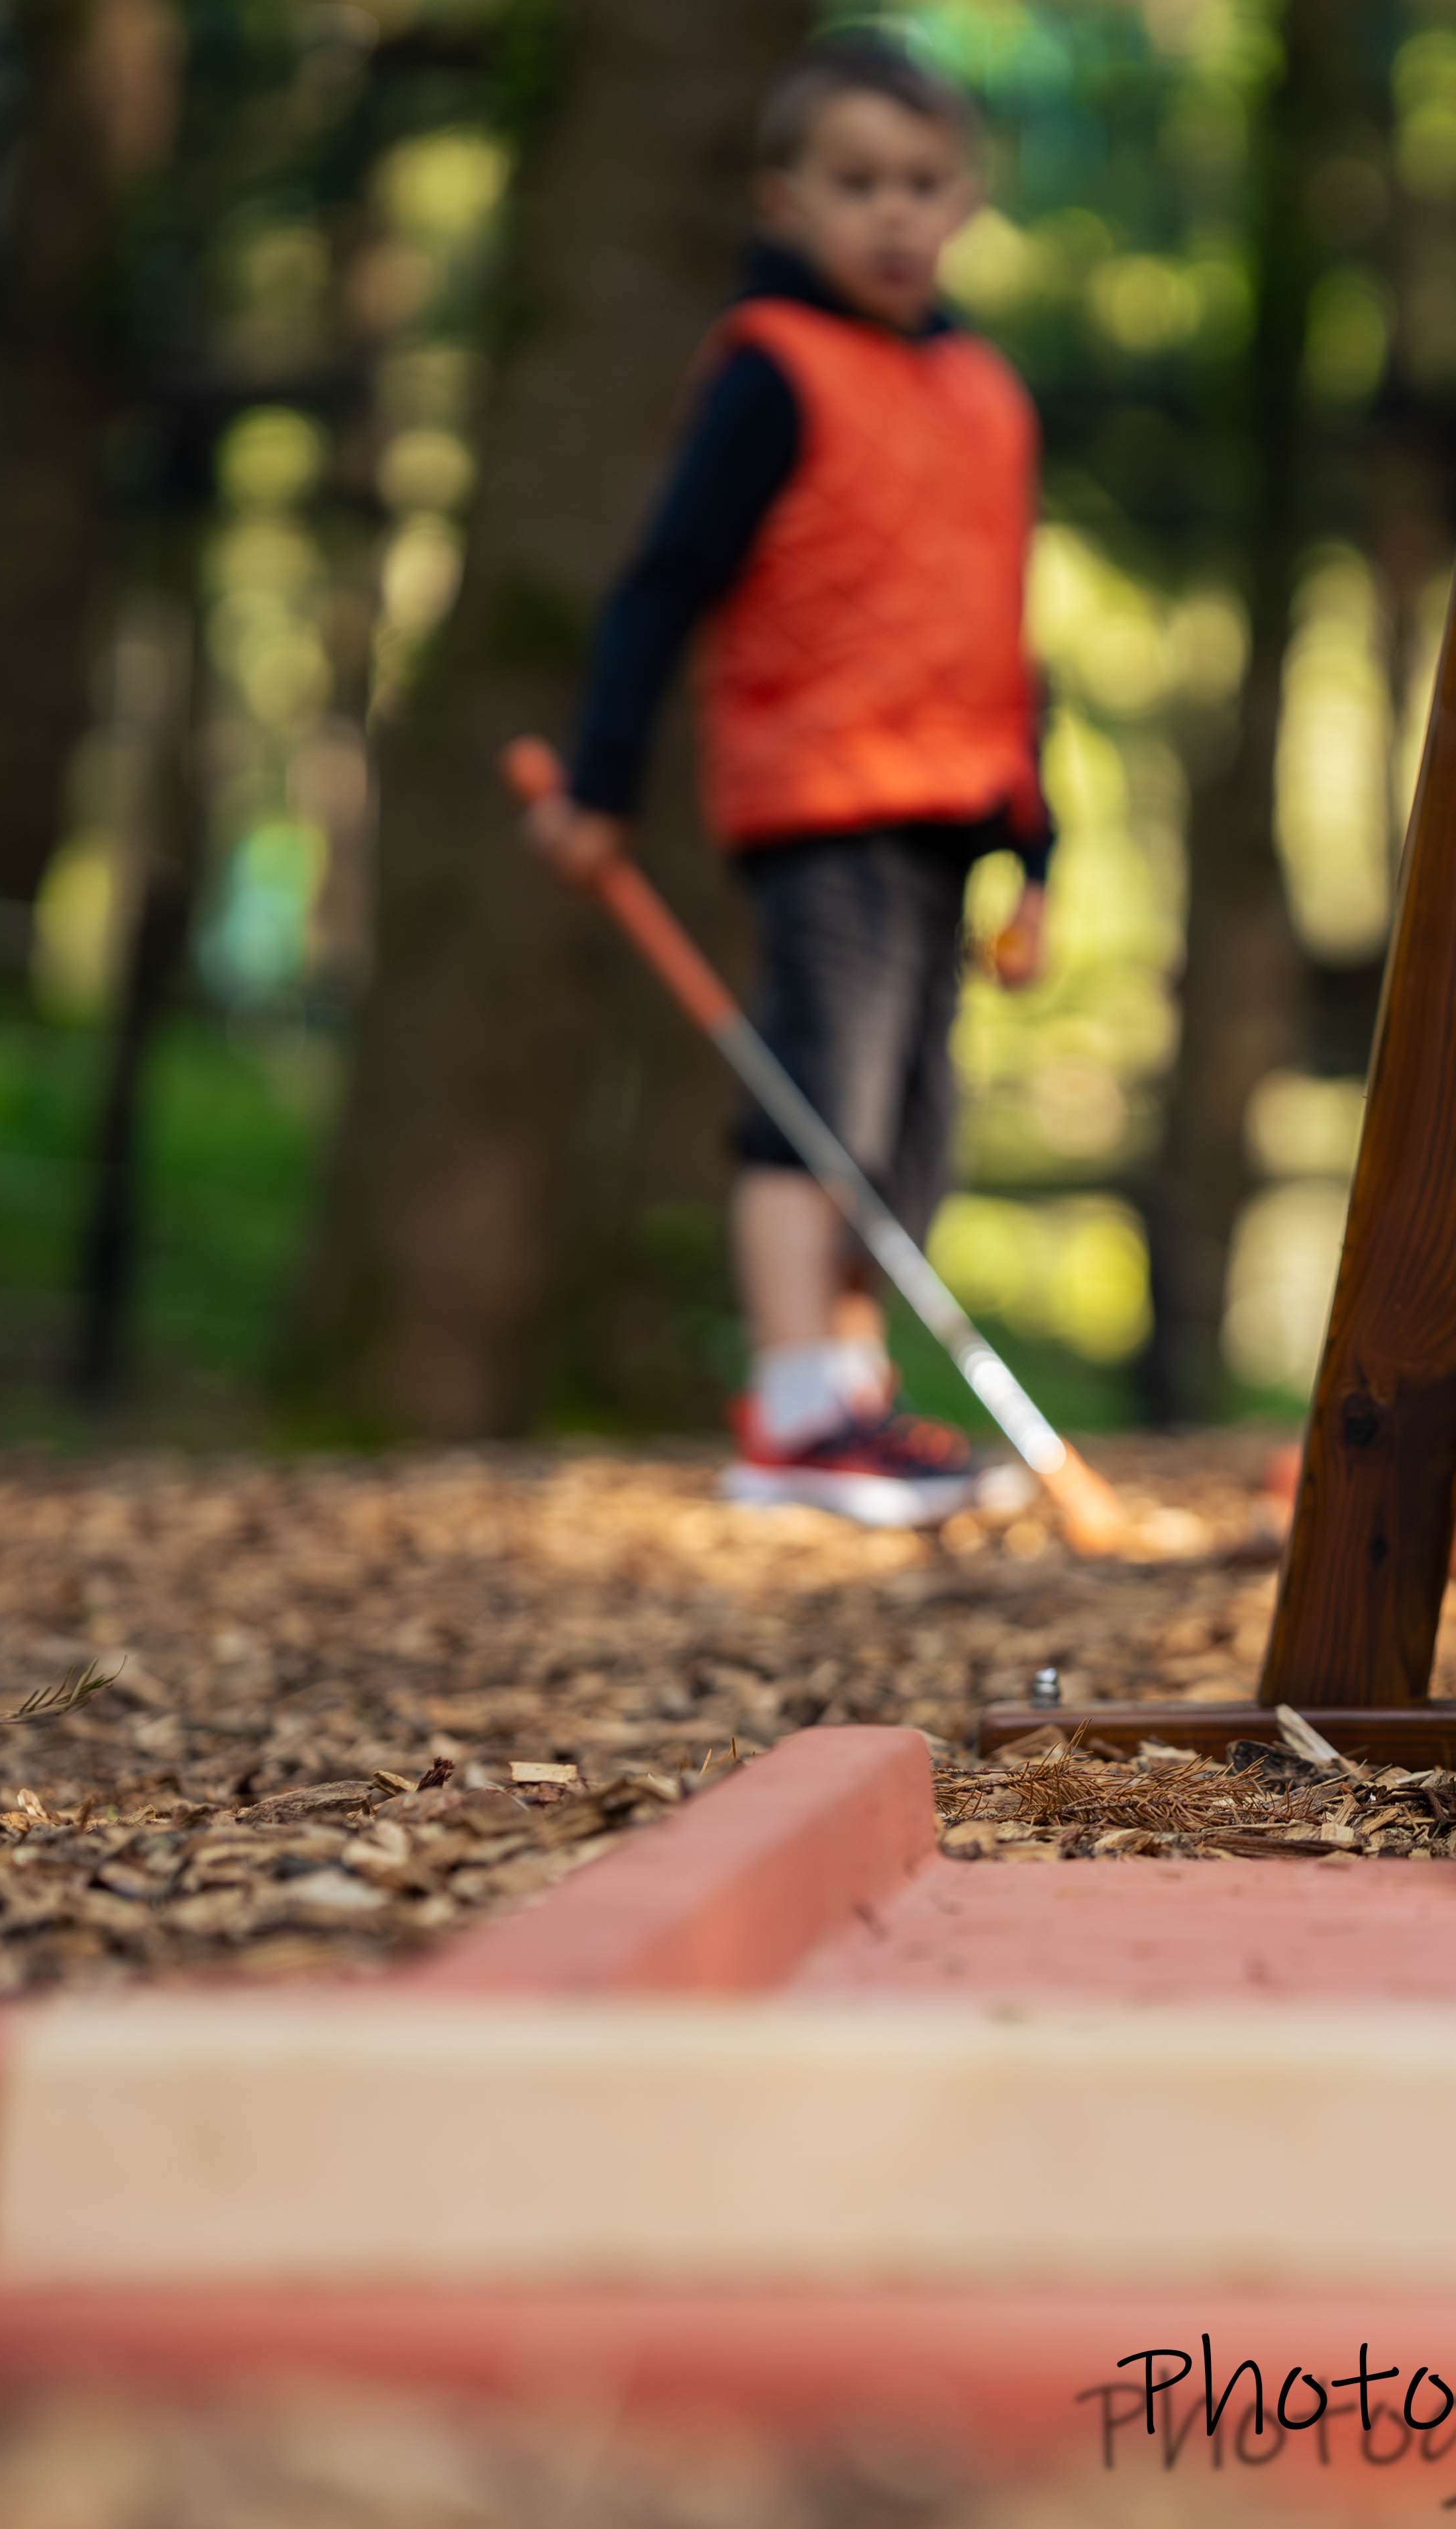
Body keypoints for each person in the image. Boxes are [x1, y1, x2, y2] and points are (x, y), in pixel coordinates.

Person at [524, 34, 1051, 1527]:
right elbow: (661, 583)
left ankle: (854, 1402)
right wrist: (598, 783)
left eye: (922, 183)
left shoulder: (984, 394)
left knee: (911, 1125)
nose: (891, 214)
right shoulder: (772, 373)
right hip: (823, 798)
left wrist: (1042, 843)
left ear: (968, 199)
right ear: (785, 200)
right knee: (819, 1100)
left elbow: (1006, 636)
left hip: (956, 801)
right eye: (855, 184)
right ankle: (792, 1409)